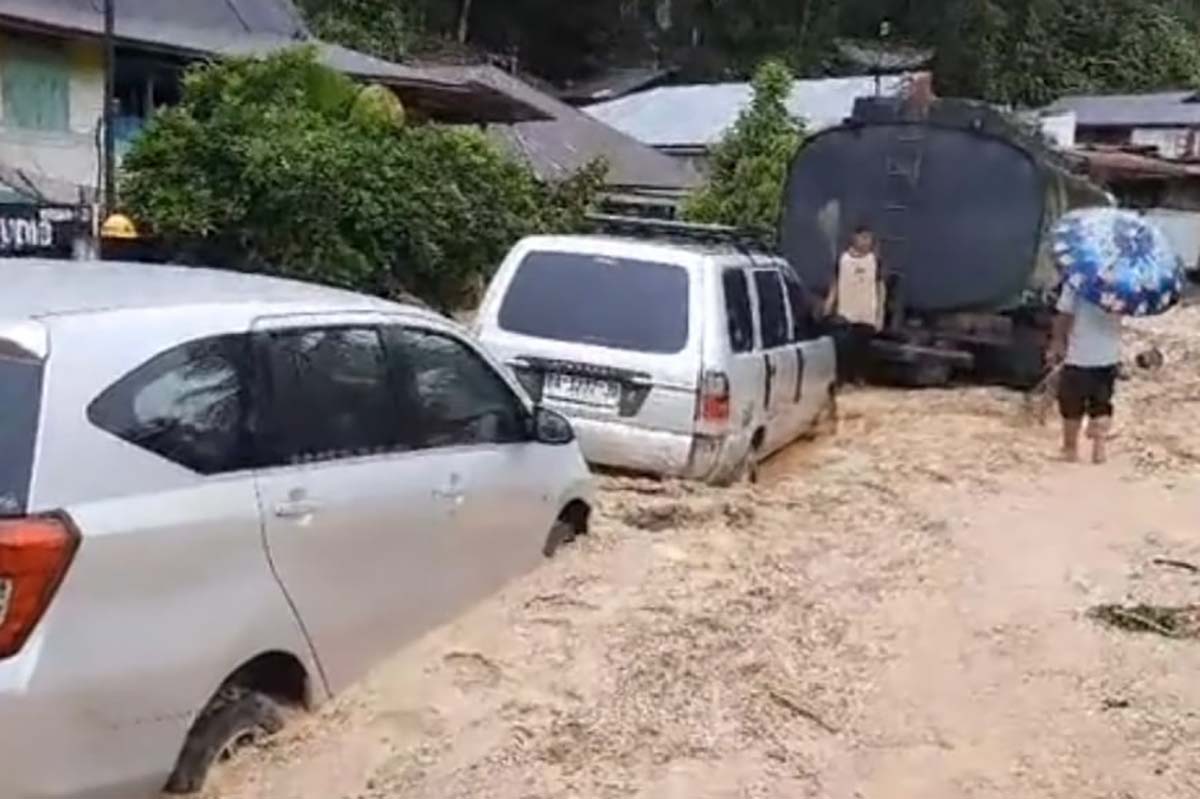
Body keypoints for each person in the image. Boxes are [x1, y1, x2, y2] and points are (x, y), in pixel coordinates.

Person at [1048, 280, 1123, 464]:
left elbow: (1065, 315)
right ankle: (1099, 448)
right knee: (1102, 402)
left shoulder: (1078, 280)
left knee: (1071, 404)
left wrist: (1057, 341)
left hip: (1079, 354)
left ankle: (1070, 449)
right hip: (1109, 355)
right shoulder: (1122, 284)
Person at [824, 225, 886, 383]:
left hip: (866, 313)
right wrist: (828, 305)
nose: (866, 242)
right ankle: (842, 379)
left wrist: (880, 314)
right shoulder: (842, 260)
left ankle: (859, 378)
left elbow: (880, 287)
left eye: (869, 238)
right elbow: (835, 284)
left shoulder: (875, 261)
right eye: (863, 237)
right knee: (844, 348)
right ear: (854, 238)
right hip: (845, 313)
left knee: (863, 349)